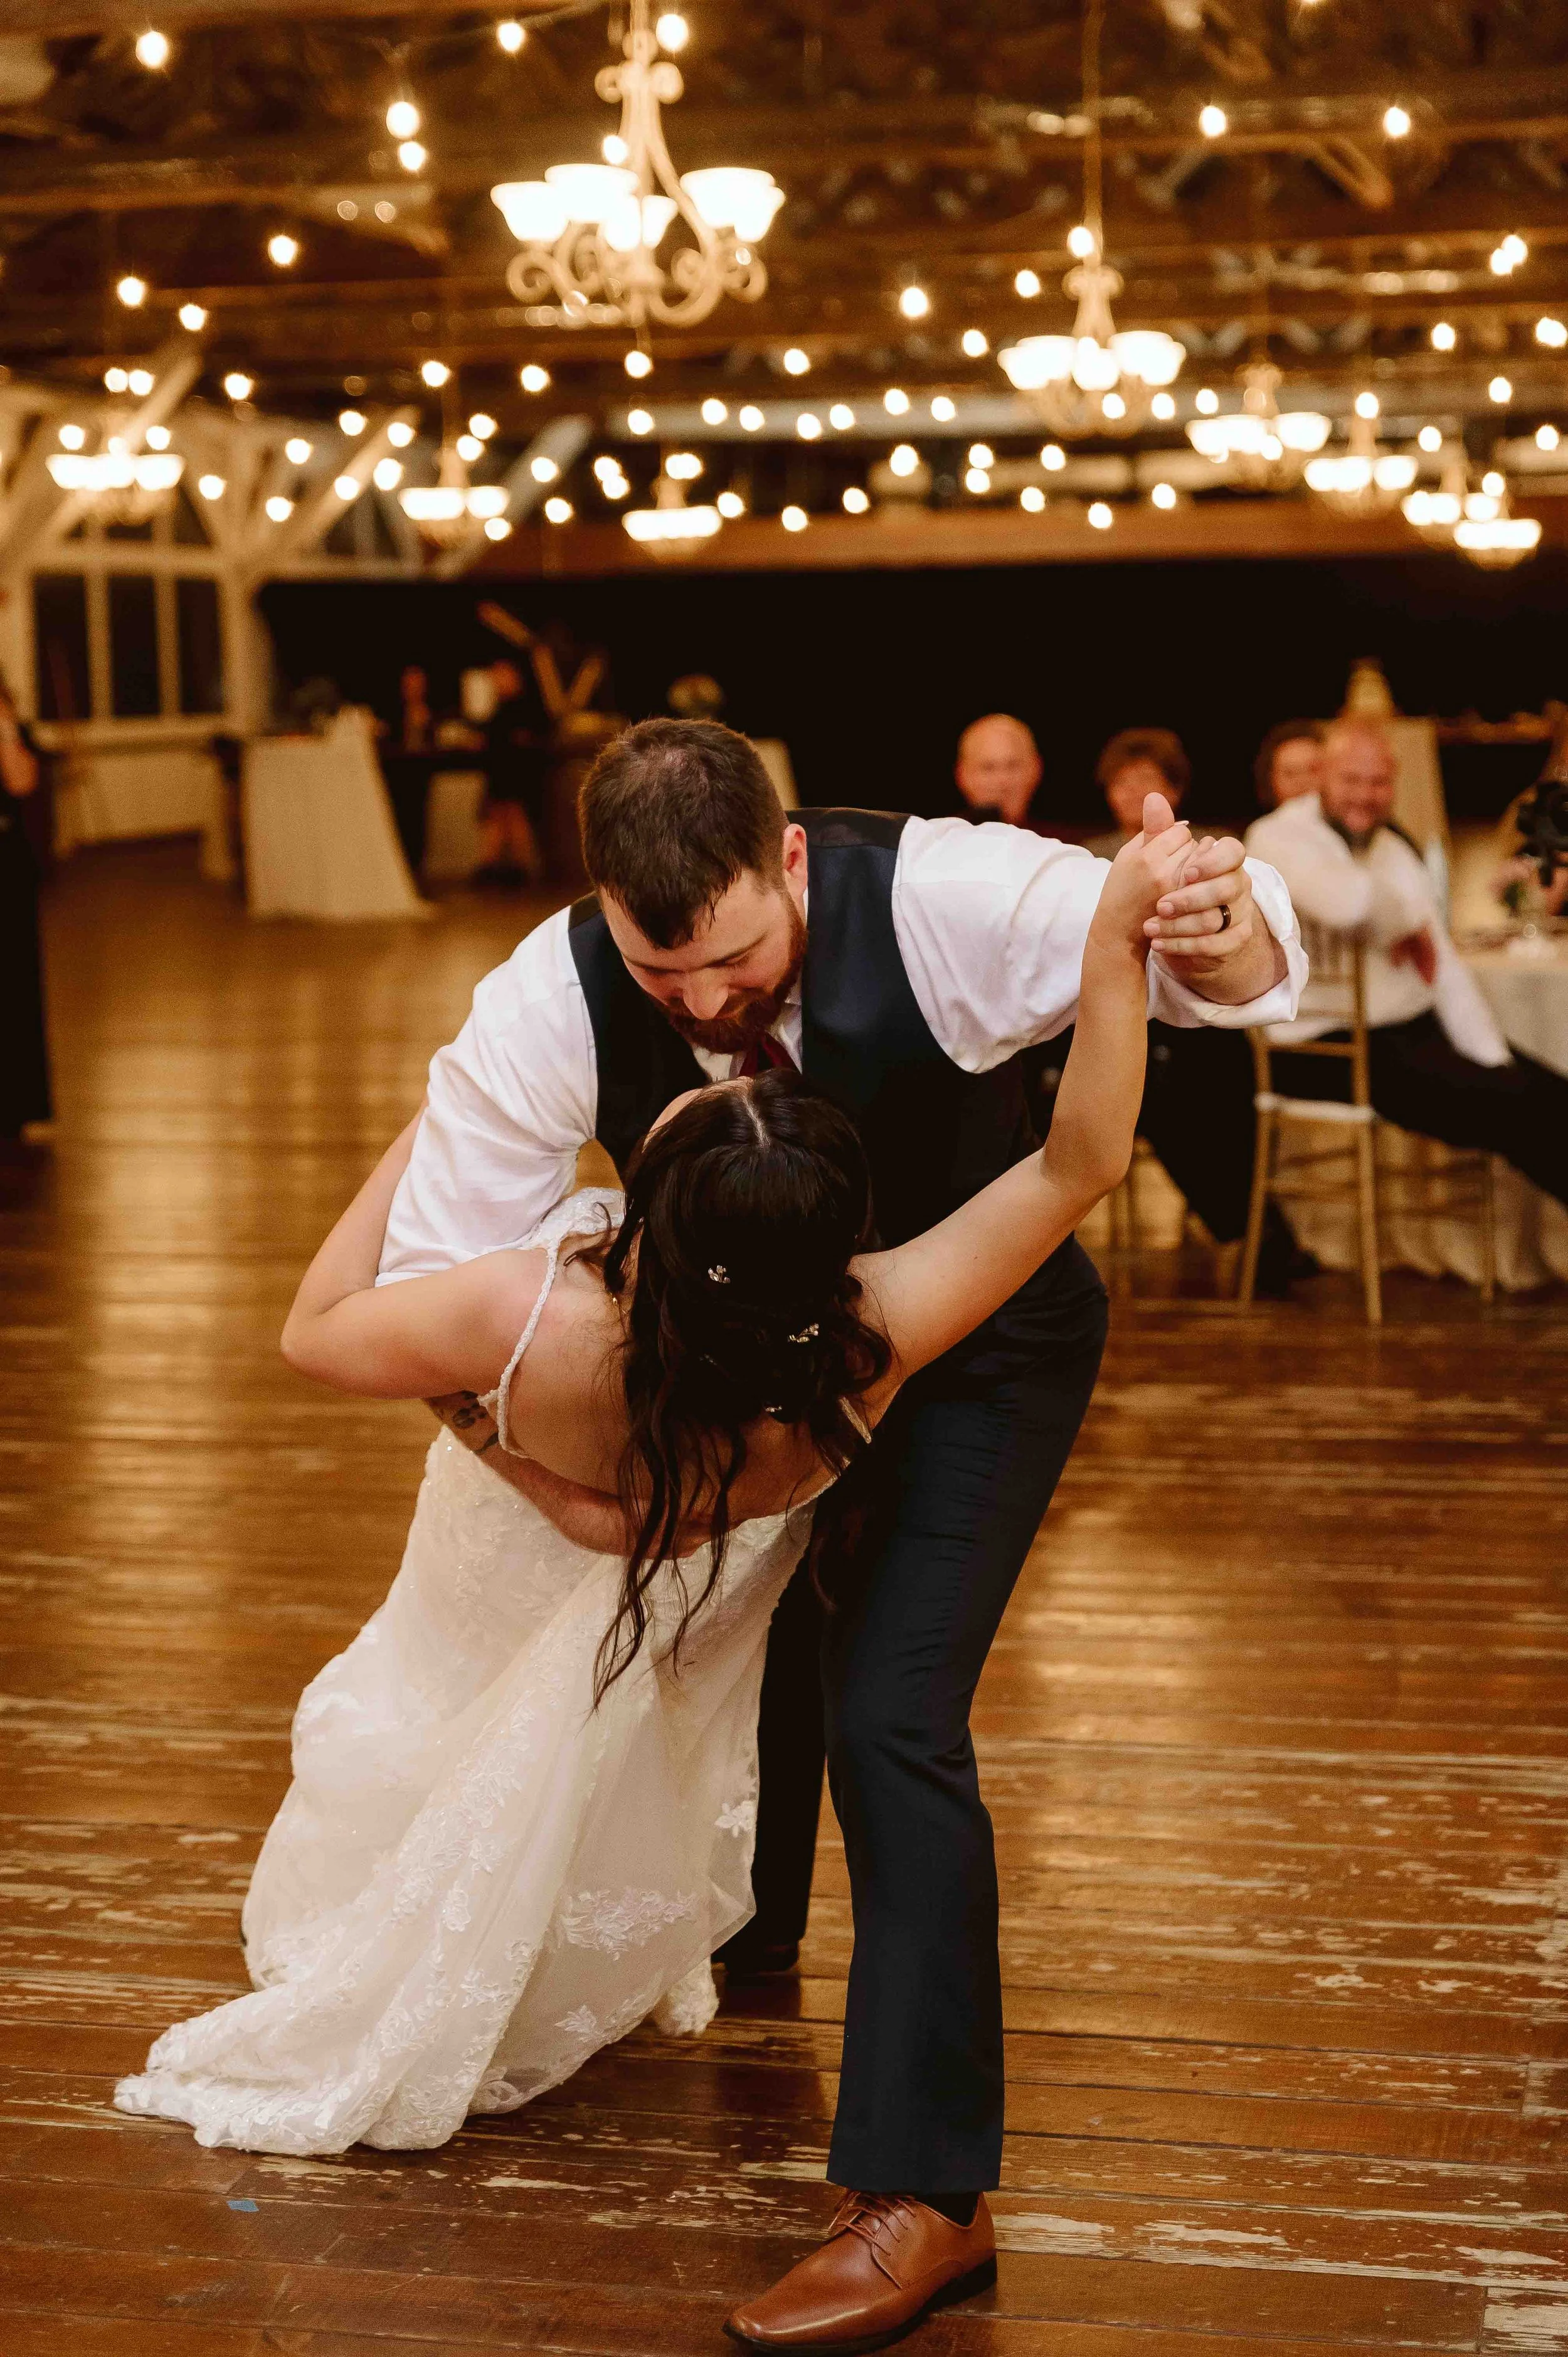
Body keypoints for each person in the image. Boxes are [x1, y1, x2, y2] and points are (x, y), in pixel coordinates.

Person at [371, 718, 1303, 2348]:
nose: (707, 1009)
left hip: (982, 1332)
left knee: (890, 1707)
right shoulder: (544, 994)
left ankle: (927, 2196)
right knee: (783, 1624)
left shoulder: (944, 888)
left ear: (786, 857)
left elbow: (1194, 967)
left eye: (732, 958)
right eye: (663, 981)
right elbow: (426, 1293)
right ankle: (757, 1926)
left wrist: (1223, 929)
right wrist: (562, 1455)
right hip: (755, 1369)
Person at [114, 804, 1183, 2206]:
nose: (702, 1052)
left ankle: (748, 2014)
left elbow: (318, 1333)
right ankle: (742, 1947)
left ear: (647, 1223)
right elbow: (1078, 1158)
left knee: (451, 1726)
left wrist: (528, 1459)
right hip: (658, 1555)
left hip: (534, 1559)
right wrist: (1116, 936)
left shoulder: (531, 1320)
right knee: (744, 1692)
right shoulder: (866, 1345)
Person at [1032, 725, 1313, 1296]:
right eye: (1123, 781)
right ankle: (1256, 1232)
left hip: (1190, 1021)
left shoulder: (1208, 852)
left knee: (1205, 1073)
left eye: (1148, 781)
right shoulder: (1084, 857)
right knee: (1168, 1091)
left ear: (1175, 789)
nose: (1134, 793)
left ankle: (1255, 1229)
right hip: (1108, 1019)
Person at [1248, 718, 1568, 1207]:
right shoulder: (1276, 836)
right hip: (1321, 1046)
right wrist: (1403, 920)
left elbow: (1447, 975)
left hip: (1406, 1031)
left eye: (1377, 782)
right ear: (1324, 778)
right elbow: (1346, 905)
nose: (1364, 795)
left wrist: (1495, 1058)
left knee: (1547, 1092)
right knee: (1515, 1107)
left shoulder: (1395, 850)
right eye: (1350, 780)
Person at [0, 673, 51, 1142]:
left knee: (13, 983)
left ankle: (16, 1102)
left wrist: (6, 729)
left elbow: (21, 783)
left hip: (7, 867)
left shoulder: (13, 730)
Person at [475, 656, 550, 885]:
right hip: (503, 777)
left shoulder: (525, 711)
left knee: (513, 819)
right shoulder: (501, 709)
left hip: (516, 778)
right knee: (499, 820)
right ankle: (501, 868)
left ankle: (518, 870)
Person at [1081, 725, 1190, 858]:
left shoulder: (1204, 846)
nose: (1132, 790)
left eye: (1144, 778)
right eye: (1120, 781)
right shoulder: (1092, 855)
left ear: (1175, 790)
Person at [951, 711, 1042, 827]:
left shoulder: (1062, 844)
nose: (1003, 781)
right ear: (962, 775)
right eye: (988, 768)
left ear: (1036, 768)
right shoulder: (941, 842)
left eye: (1013, 766)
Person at [1255, 719, 1325, 811]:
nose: (1302, 782)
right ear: (1271, 782)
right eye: (1290, 774)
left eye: (1313, 770)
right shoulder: (1263, 825)